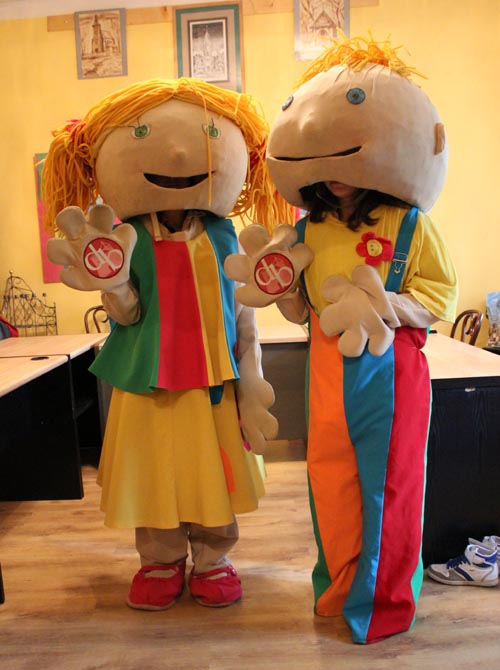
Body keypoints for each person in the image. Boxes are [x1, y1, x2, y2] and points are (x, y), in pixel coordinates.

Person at [225, 33, 458, 643]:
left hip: (391, 364)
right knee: (329, 480)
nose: (335, 180)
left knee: (390, 485)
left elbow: (440, 295)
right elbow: (302, 312)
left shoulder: (410, 223)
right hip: (326, 366)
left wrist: (387, 305)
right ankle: (340, 583)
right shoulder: (309, 228)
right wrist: (282, 291)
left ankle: (383, 601)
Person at [42, 78, 294, 611]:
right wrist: (112, 284)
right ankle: (159, 560)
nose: (179, 156)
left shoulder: (224, 236)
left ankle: (213, 558)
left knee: (214, 469)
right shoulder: (127, 238)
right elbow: (127, 314)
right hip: (147, 378)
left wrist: (252, 375)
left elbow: (243, 315)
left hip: (213, 381)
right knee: (155, 470)